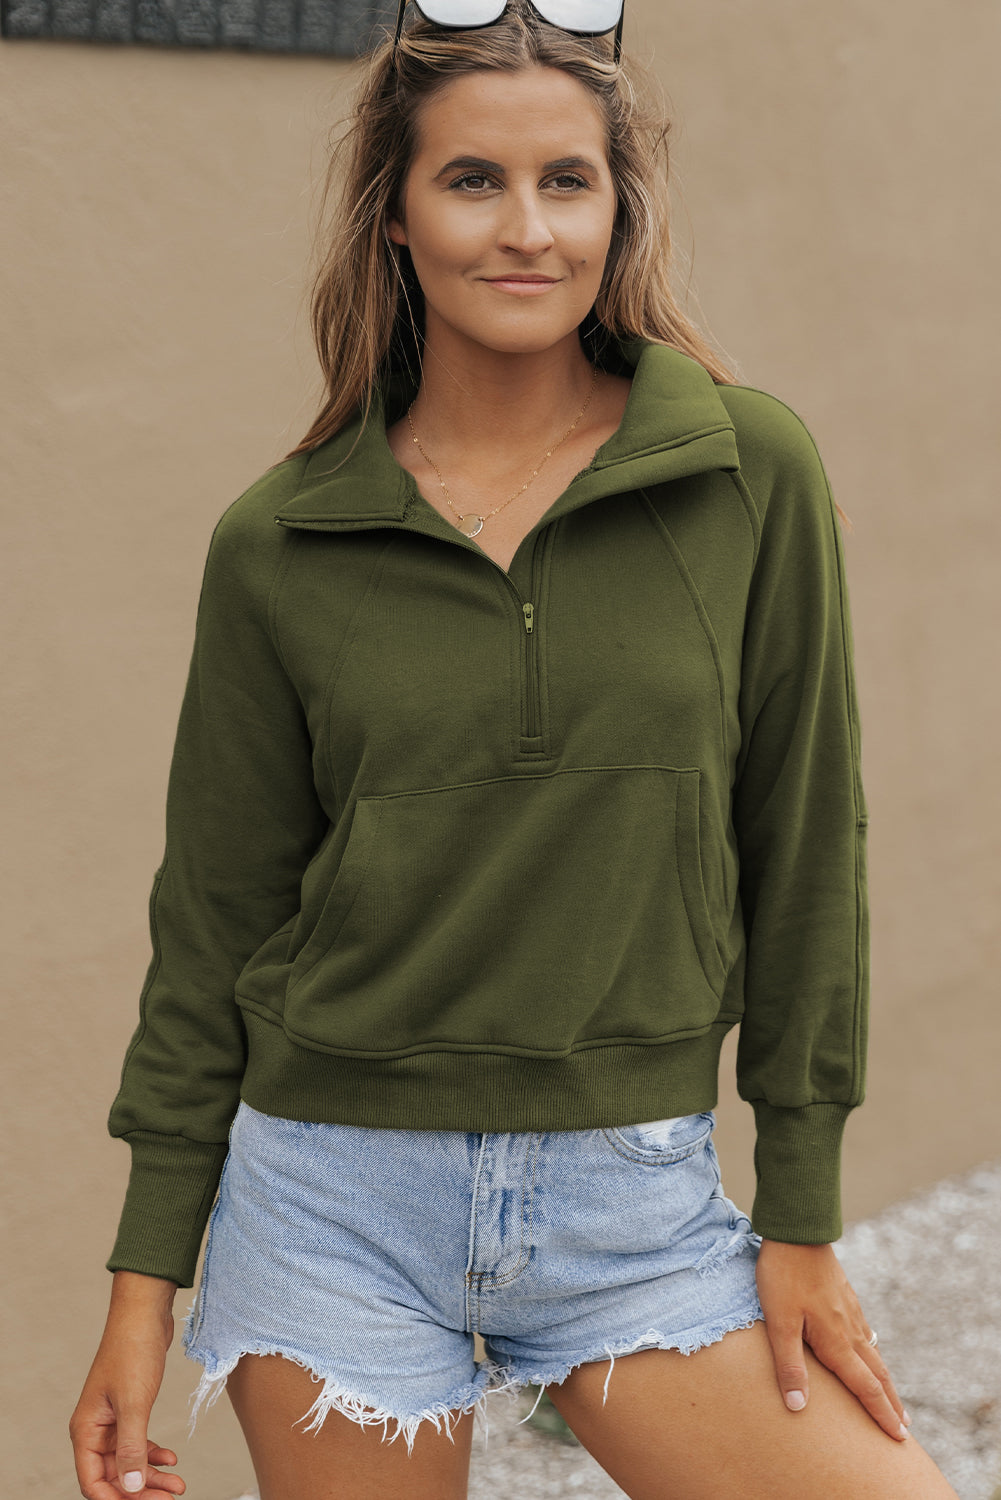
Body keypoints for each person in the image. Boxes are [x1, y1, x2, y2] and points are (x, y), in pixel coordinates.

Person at [69, 3, 960, 1497]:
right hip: (327, 1198)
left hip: (634, 1207)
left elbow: (808, 850)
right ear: (396, 218)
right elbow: (213, 921)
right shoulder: (279, 541)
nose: (524, 229)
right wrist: (142, 1288)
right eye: (471, 181)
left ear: (619, 211)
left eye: (567, 182)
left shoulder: (747, 475)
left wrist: (799, 1213)